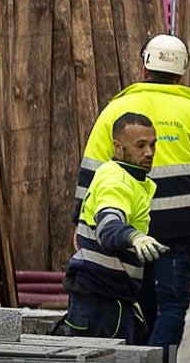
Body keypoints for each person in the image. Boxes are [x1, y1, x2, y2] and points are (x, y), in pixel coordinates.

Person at [76, 33, 190, 363]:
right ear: (180, 75)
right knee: (172, 303)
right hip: (179, 225)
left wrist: (80, 220)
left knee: (145, 300)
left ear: (144, 69)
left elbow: (90, 172)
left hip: (132, 223)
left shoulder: (115, 112)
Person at [64, 111, 165, 342]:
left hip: (106, 295)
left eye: (152, 144)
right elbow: (109, 227)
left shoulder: (124, 177)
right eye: (140, 146)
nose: (149, 152)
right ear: (118, 147)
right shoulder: (116, 181)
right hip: (101, 301)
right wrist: (134, 238)